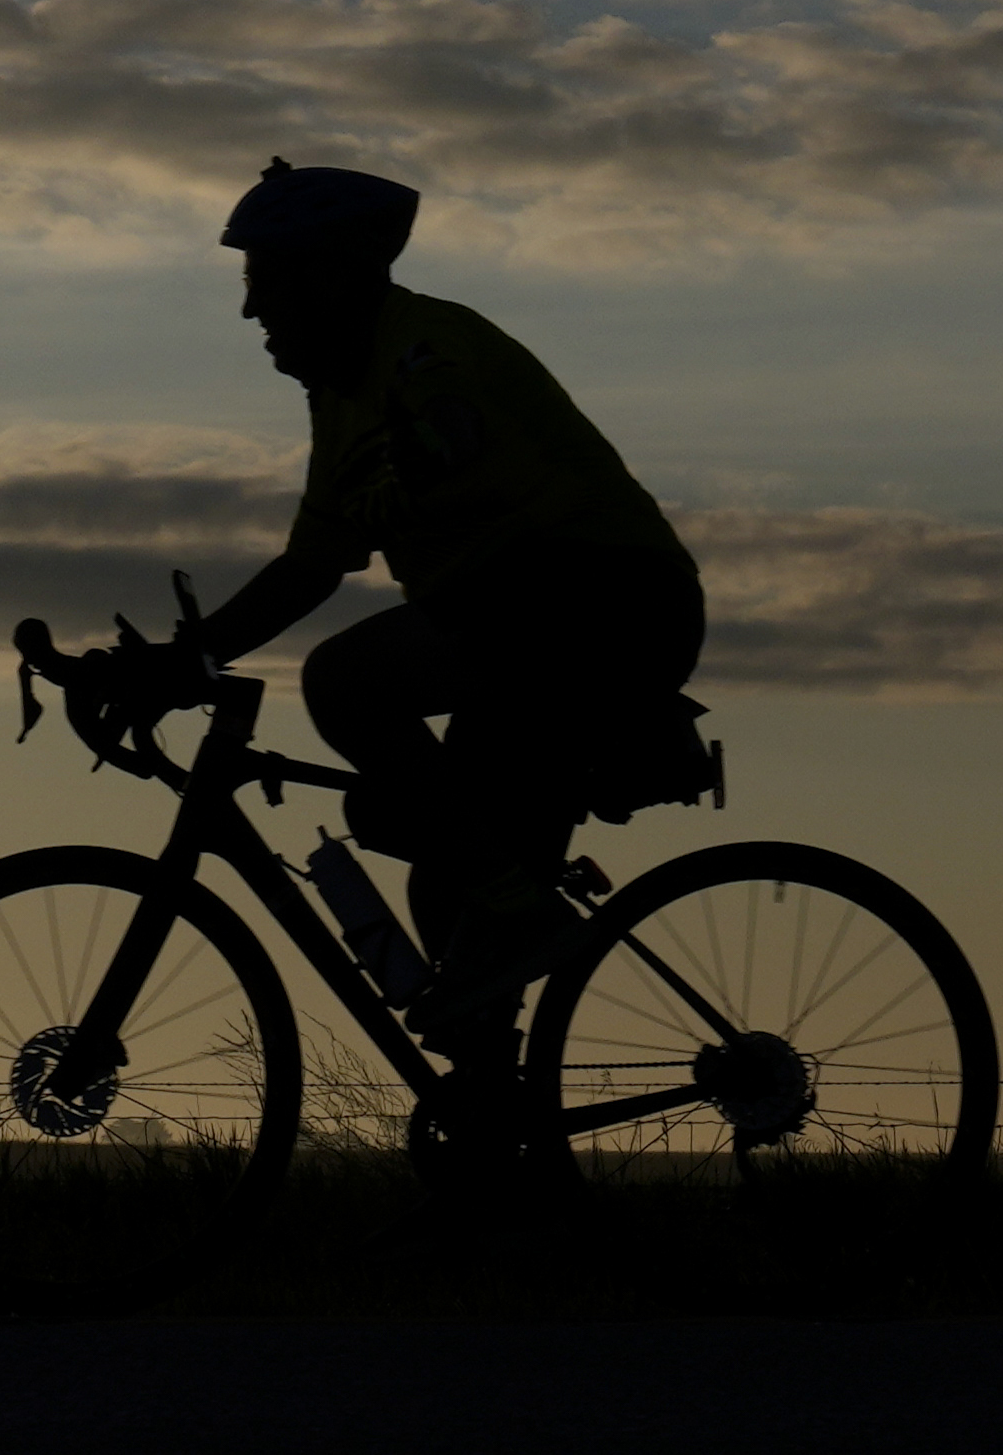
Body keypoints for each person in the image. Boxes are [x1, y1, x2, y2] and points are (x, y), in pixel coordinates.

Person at [101, 160, 705, 1063]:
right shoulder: (340, 404)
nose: (249, 310)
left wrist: (424, 458)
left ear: (329, 276)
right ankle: (498, 1128)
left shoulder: (425, 345)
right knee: (442, 896)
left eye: (263, 281)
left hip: (604, 601)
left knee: (345, 679)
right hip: (529, 627)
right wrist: (183, 659)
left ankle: (521, 905)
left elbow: (453, 426)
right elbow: (309, 565)